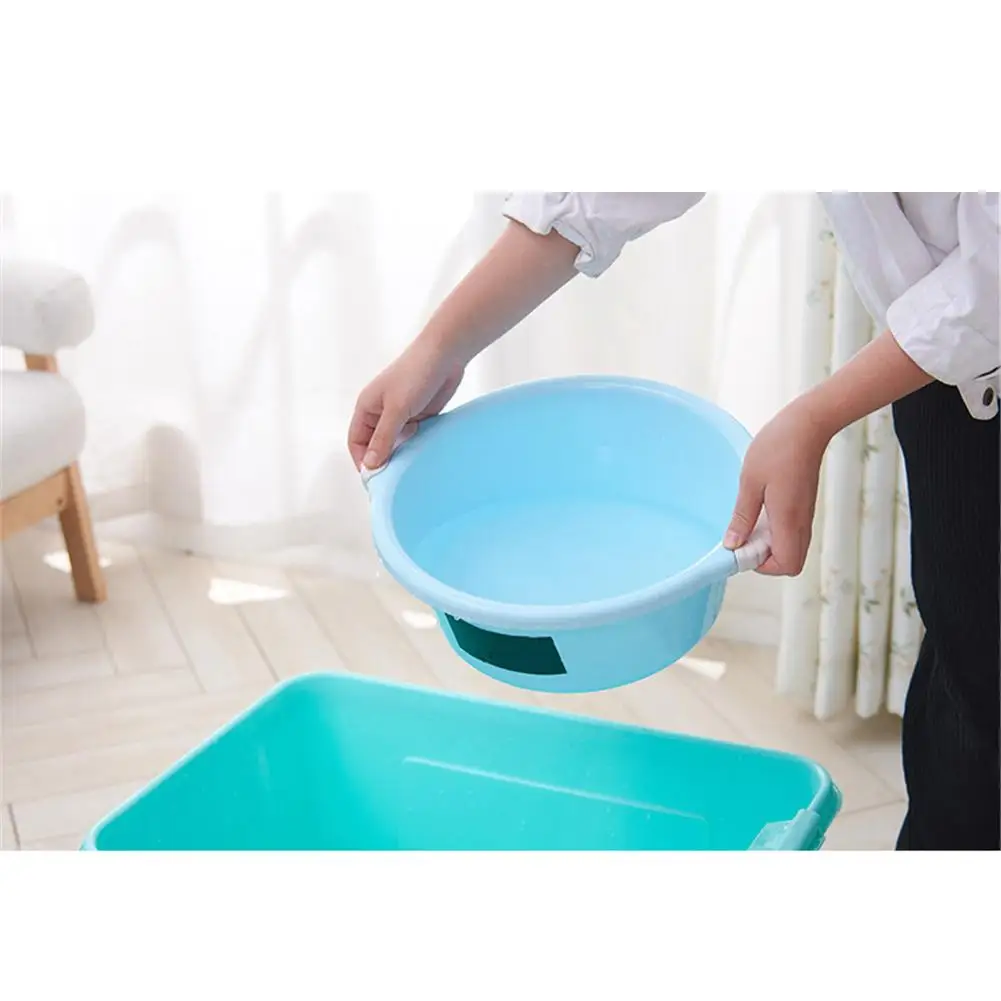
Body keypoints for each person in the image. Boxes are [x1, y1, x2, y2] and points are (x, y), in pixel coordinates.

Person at [348, 192, 1000, 851]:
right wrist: (440, 345)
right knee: (965, 682)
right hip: (946, 380)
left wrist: (814, 417)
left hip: (976, 359)